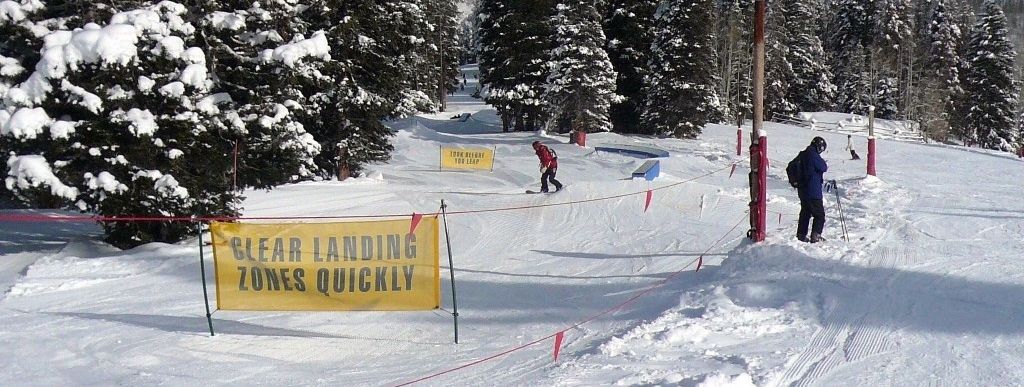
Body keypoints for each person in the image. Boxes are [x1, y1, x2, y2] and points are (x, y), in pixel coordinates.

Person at [797, 136, 829, 243]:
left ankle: (801, 235)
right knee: (819, 215)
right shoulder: (813, 155)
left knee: (805, 213)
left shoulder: (803, 154)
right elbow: (824, 167)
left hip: (802, 190)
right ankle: (816, 235)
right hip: (813, 191)